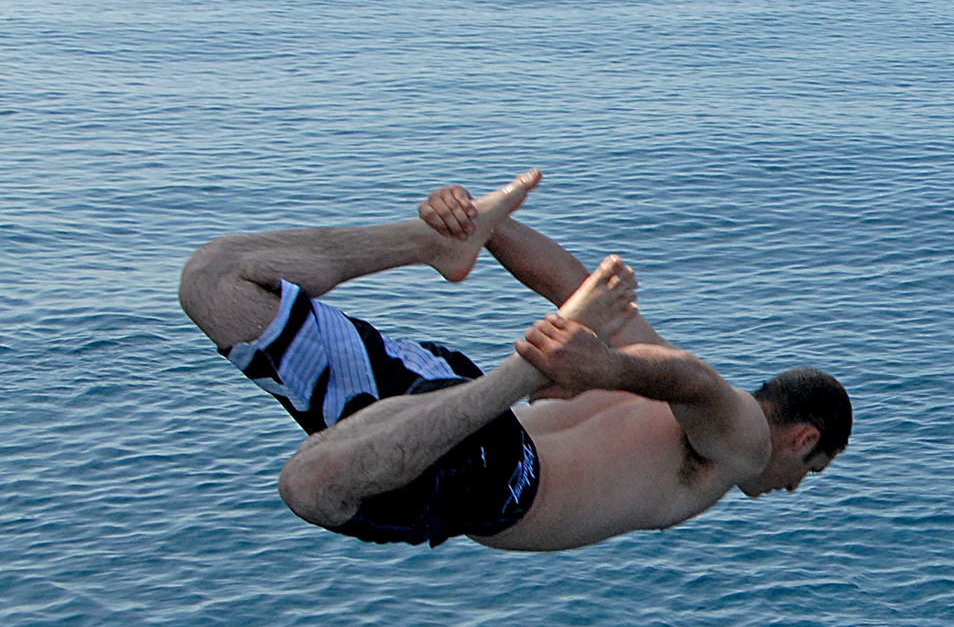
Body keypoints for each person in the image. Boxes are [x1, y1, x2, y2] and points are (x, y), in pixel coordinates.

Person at [177, 170, 851, 551]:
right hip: (496, 474)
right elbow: (697, 383)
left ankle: (428, 247)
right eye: (809, 471)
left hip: (442, 407)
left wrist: (479, 224)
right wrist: (591, 368)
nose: (791, 486)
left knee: (217, 281)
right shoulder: (742, 443)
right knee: (310, 486)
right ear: (804, 437)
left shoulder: (654, 358)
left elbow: (565, 280)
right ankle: (521, 371)